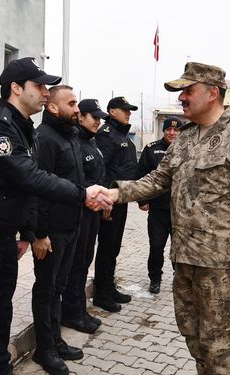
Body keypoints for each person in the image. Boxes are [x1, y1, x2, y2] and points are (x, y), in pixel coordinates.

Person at [106, 62, 230, 374]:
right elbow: (157, 179)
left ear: (211, 93)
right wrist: (115, 193)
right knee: (192, 334)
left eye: (187, 90)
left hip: (220, 263)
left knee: (216, 343)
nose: (181, 98)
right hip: (184, 258)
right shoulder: (185, 137)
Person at [0, 57, 111, 375]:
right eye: (39, 85)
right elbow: (29, 177)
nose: (45, 91)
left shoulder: (21, 126)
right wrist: (83, 195)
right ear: (16, 88)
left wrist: (26, 232)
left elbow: (23, 189)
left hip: (4, 236)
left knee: (1, 309)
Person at [30, 85, 88, 374]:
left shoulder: (70, 135)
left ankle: (55, 341)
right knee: (46, 289)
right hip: (51, 232)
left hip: (71, 226)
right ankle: (44, 350)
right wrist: (39, 233)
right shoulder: (45, 139)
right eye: (72, 103)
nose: (77, 109)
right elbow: (37, 189)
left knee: (59, 288)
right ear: (52, 107)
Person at [60, 99, 108, 334]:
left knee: (84, 262)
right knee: (76, 264)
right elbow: (75, 178)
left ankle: (79, 310)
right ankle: (71, 312)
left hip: (93, 212)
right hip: (80, 211)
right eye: (94, 117)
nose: (98, 121)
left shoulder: (92, 142)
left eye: (100, 118)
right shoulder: (75, 142)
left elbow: (99, 175)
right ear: (81, 116)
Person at [92, 96, 139, 312]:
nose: (128, 112)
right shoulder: (106, 135)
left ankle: (109, 286)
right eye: (124, 109)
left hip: (122, 199)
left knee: (114, 247)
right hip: (109, 201)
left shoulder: (122, 135)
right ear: (111, 111)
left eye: (130, 110)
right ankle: (101, 293)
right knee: (107, 247)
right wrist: (104, 202)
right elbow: (102, 170)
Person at [137, 116, 182, 294]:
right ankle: (155, 279)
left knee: (179, 248)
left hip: (181, 211)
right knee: (156, 246)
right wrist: (142, 200)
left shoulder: (189, 149)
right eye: (168, 130)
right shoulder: (151, 149)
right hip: (158, 210)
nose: (172, 133)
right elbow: (141, 174)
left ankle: (180, 280)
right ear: (163, 131)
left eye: (176, 130)